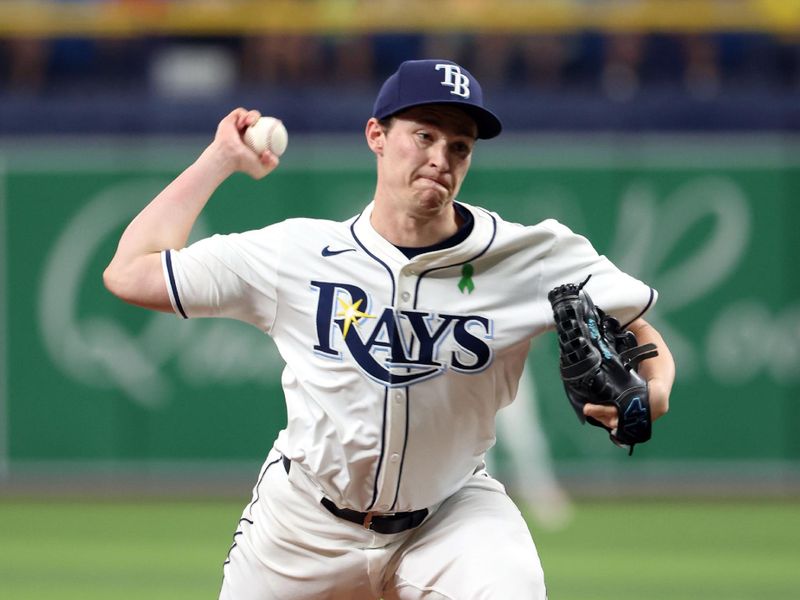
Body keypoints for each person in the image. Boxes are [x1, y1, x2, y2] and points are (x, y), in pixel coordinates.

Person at [103, 59, 675, 600]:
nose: (440, 157)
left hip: (449, 516)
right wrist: (219, 159)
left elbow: (638, 326)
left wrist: (655, 390)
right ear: (376, 135)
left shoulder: (530, 254)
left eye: (459, 146)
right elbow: (130, 273)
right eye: (423, 135)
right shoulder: (297, 254)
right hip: (304, 520)